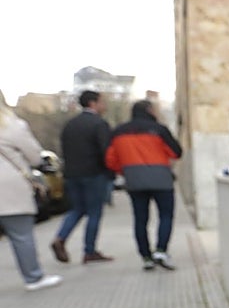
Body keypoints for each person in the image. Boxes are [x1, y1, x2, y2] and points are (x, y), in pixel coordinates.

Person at [104, 99, 183, 270]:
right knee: (166, 215)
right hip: (161, 179)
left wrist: (125, 170)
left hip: (134, 180)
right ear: (149, 111)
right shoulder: (159, 130)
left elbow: (110, 160)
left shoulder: (118, 132)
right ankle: (161, 251)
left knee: (140, 219)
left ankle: (146, 257)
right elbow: (176, 152)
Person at [0, 107, 63, 291]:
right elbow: (35, 157)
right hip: (9, 187)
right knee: (21, 235)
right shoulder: (11, 125)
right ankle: (33, 277)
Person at [51, 90, 114, 264]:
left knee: (77, 209)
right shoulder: (99, 124)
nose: (104, 106)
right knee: (94, 212)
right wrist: (110, 172)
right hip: (94, 174)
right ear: (93, 103)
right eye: (102, 102)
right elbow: (105, 151)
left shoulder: (70, 124)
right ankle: (89, 251)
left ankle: (60, 238)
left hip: (72, 175)